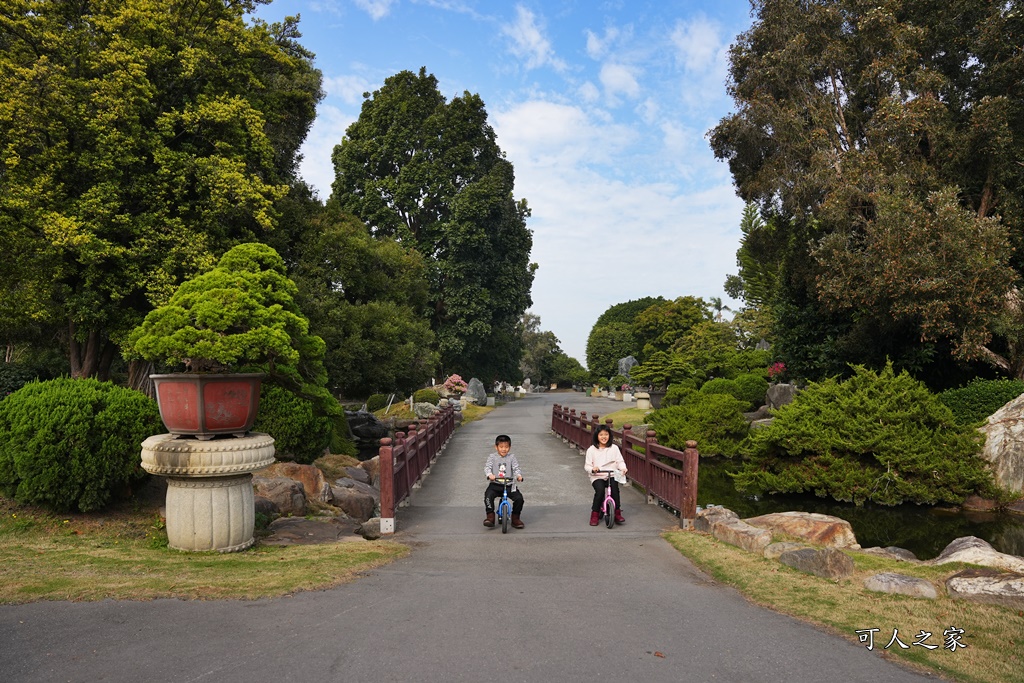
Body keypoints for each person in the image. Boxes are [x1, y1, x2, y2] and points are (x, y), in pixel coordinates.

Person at [585, 425, 627, 526]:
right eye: (601, 435)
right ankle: (594, 514)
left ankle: (617, 512)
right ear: (597, 436)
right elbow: (587, 466)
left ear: (610, 436)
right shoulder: (591, 450)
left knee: (615, 490)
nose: (604, 437)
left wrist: (623, 468)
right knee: (599, 491)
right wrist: (593, 469)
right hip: (597, 475)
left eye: (606, 434)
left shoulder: (614, 448)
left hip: (611, 473)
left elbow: (619, 461)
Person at [483, 434, 525, 528]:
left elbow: (516, 468)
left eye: (506, 447)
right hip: (496, 484)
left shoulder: (512, 457)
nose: (503, 449)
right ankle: (490, 517)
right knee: (488, 496)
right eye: (501, 447)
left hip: (509, 484)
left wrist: (518, 476)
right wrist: (490, 475)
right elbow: (487, 467)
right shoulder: (492, 457)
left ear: (509, 447)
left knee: (519, 499)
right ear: (496, 447)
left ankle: (515, 518)